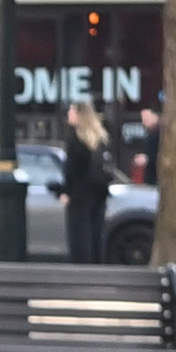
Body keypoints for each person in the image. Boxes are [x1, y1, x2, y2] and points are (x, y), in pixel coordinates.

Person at [61, 99, 116, 264]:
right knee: (96, 233)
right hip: (99, 192)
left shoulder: (75, 140)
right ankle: (96, 266)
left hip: (79, 194)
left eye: (71, 111)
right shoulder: (101, 138)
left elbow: (72, 170)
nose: (68, 115)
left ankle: (82, 268)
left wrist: (66, 191)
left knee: (79, 235)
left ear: (79, 115)